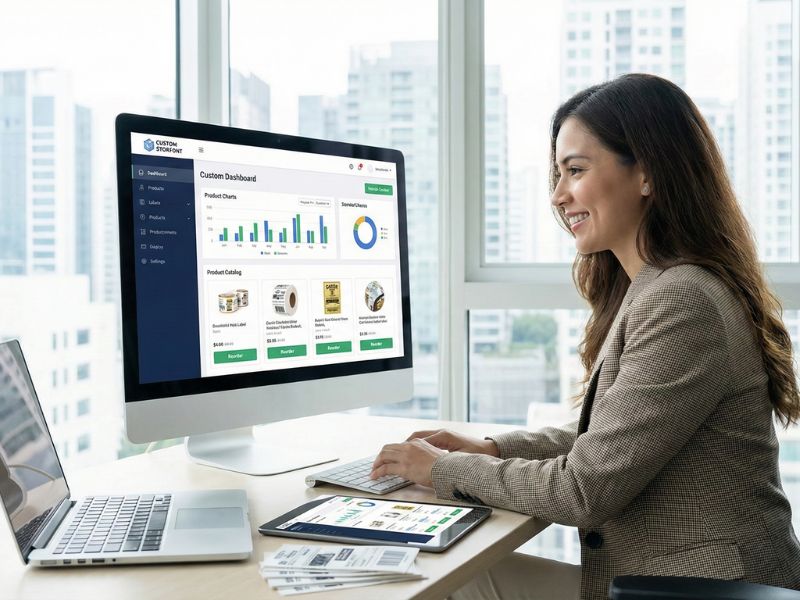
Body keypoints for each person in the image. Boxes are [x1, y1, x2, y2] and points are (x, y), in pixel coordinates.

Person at [370, 73, 800, 599]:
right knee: (451, 578)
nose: (557, 195)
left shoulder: (682, 299)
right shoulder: (655, 287)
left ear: (646, 174)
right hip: (664, 583)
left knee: (438, 583)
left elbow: (584, 488)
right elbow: (603, 444)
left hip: (701, 590)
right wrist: (491, 447)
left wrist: (444, 469)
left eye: (575, 170)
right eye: (557, 174)